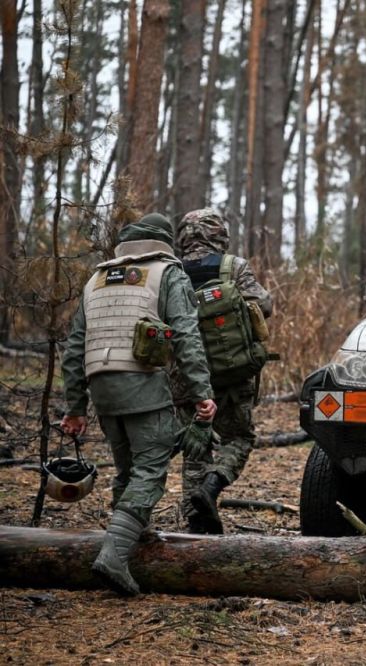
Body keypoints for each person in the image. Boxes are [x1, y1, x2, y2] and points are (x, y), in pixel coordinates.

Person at [61, 213, 216, 596]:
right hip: (142, 382)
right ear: (163, 242)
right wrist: (202, 392)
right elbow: (186, 334)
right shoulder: (167, 273)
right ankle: (113, 556)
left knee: (127, 468)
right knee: (150, 468)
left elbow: (74, 347)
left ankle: (135, 542)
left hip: (102, 388)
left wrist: (76, 407)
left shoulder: (95, 280)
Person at [173, 208, 273, 534]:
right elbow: (265, 305)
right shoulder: (233, 267)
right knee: (239, 437)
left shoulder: (172, 272)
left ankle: (196, 523)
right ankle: (212, 487)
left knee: (195, 446)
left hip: (186, 376)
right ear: (220, 235)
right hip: (234, 372)